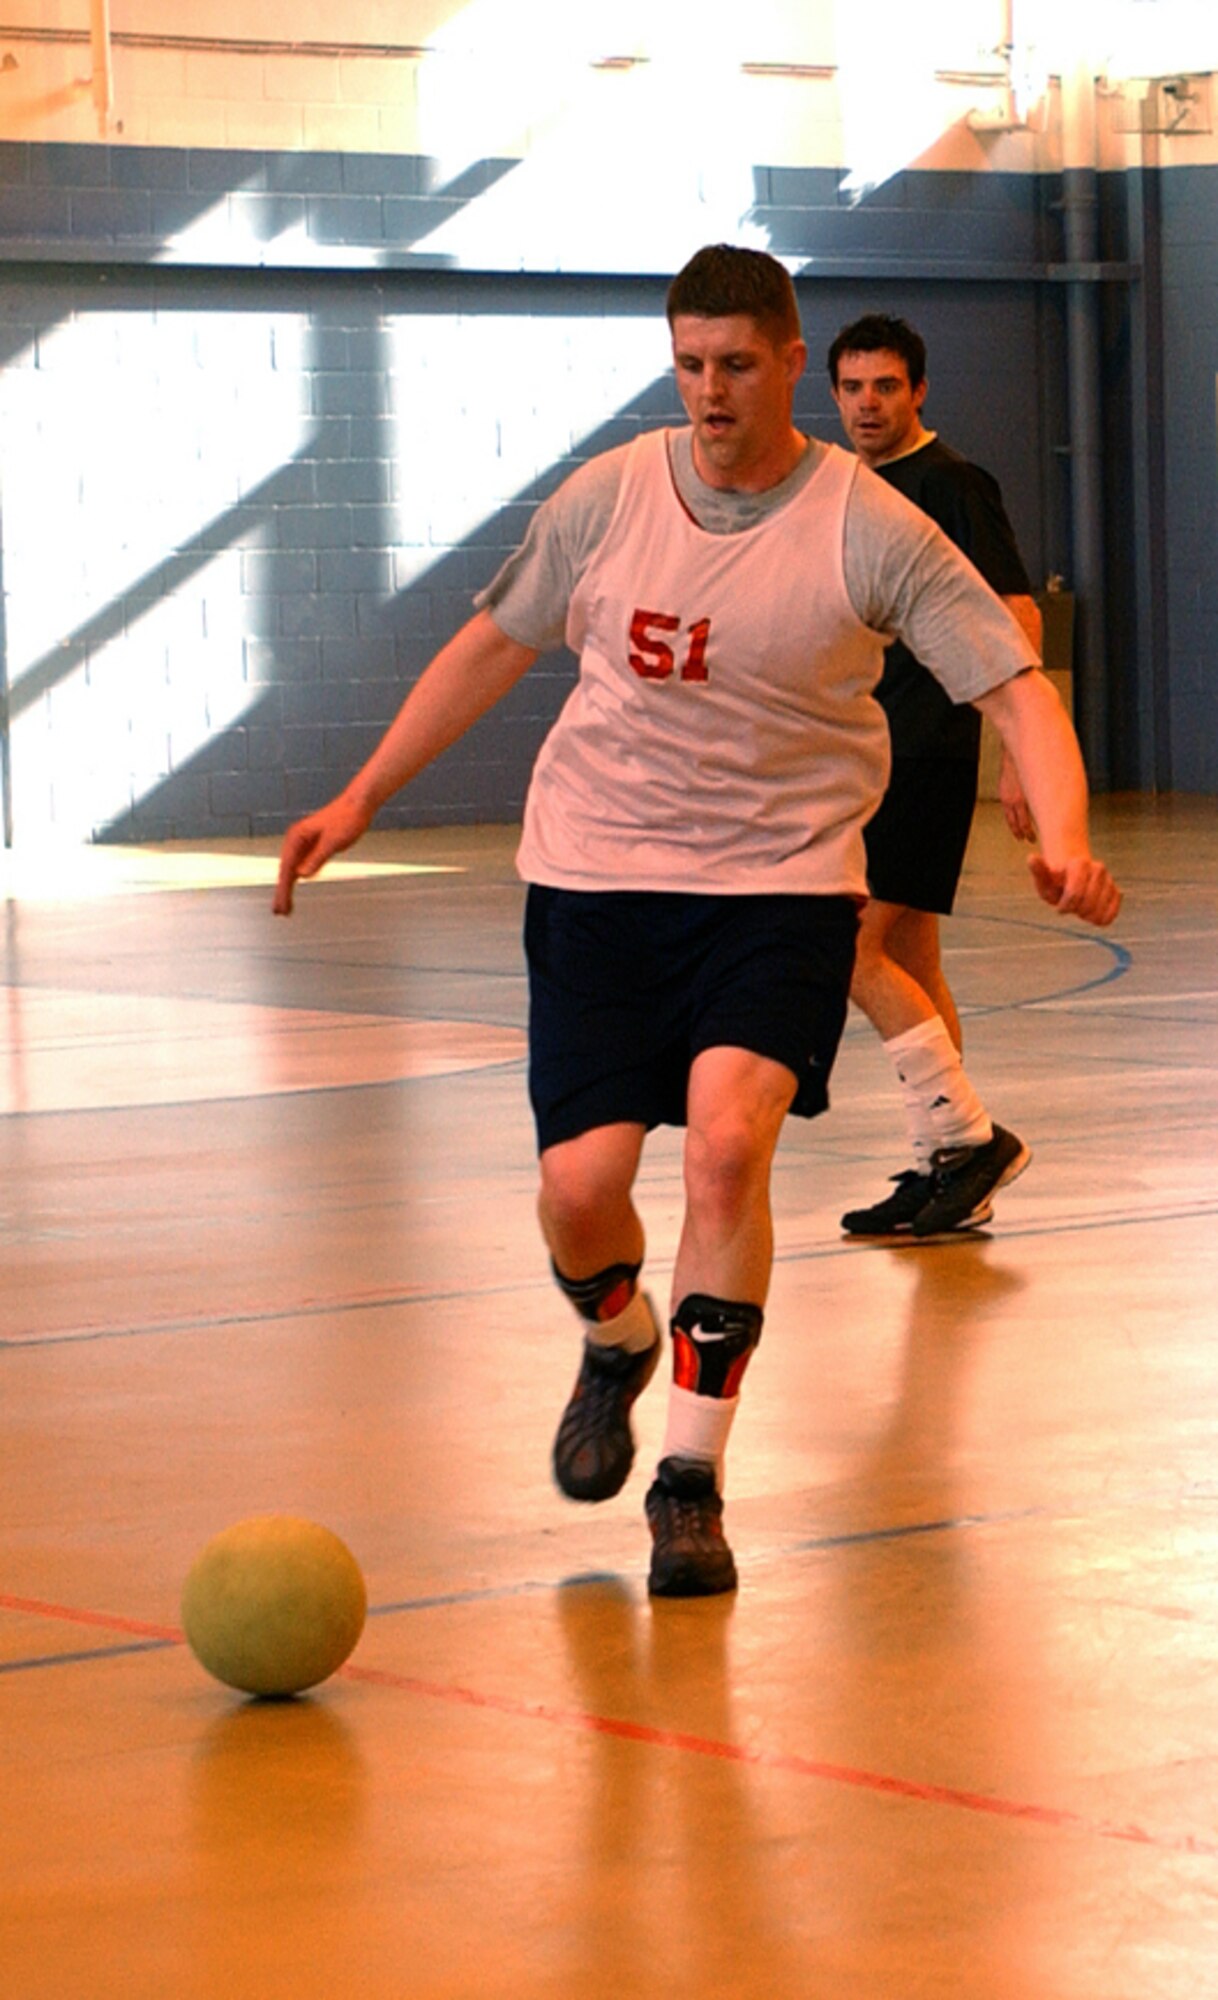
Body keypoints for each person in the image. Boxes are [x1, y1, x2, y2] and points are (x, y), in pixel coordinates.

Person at [273, 245, 1120, 1601]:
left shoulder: (873, 526)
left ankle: (688, 1481)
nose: (710, 391)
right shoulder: (609, 498)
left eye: (736, 364)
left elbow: (1014, 687)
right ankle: (614, 1340)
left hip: (777, 886)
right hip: (596, 882)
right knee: (578, 1190)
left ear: (791, 362)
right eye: (688, 365)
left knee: (729, 1151)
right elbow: (493, 640)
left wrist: (1063, 831)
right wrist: (362, 792)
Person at [829, 312, 1043, 1240]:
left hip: (924, 751)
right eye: (853, 388)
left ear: (919, 392)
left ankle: (969, 1139)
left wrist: (1026, 758)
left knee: (848, 949)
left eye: (886, 387)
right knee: (911, 960)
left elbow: (1017, 613)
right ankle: (946, 1165)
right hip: (868, 751)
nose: (868, 404)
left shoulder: (952, 483)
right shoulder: (851, 485)